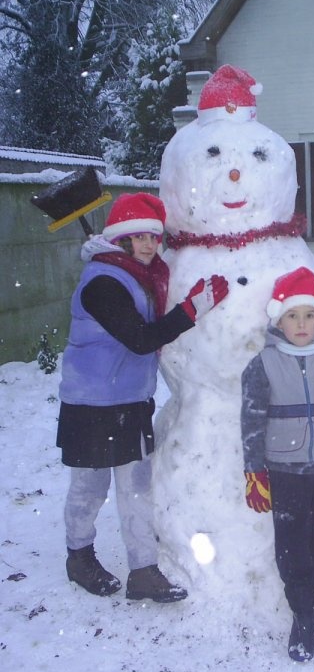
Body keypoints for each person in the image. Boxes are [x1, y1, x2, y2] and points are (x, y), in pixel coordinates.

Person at [57, 192, 229, 602]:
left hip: (130, 401)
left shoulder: (138, 276)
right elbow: (138, 339)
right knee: (90, 486)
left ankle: (144, 571)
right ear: (121, 241)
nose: (149, 245)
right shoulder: (102, 281)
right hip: (91, 405)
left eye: (154, 236)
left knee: (136, 488)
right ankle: (78, 556)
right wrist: (193, 309)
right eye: (139, 237)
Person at [240, 266, 314, 661]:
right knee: (292, 549)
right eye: (293, 316)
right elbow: (252, 421)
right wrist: (255, 472)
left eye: (310, 315)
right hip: (284, 474)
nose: (302, 324)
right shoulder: (263, 364)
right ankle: (303, 617)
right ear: (279, 319)